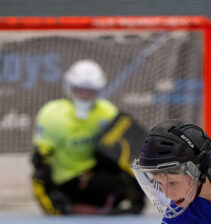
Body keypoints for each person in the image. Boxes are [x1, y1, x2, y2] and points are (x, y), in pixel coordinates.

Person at [31, 59, 145, 215]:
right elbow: (40, 161)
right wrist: (46, 196)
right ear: (70, 87)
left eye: (91, 91)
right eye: (80, 89)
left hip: (96, 174)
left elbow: (126, 153)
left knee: (118, 176)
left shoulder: (107, 111)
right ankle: (76, 206)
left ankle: (97, 205)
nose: (85, 95)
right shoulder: (52, 114)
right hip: (66, 181)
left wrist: (139, 195)